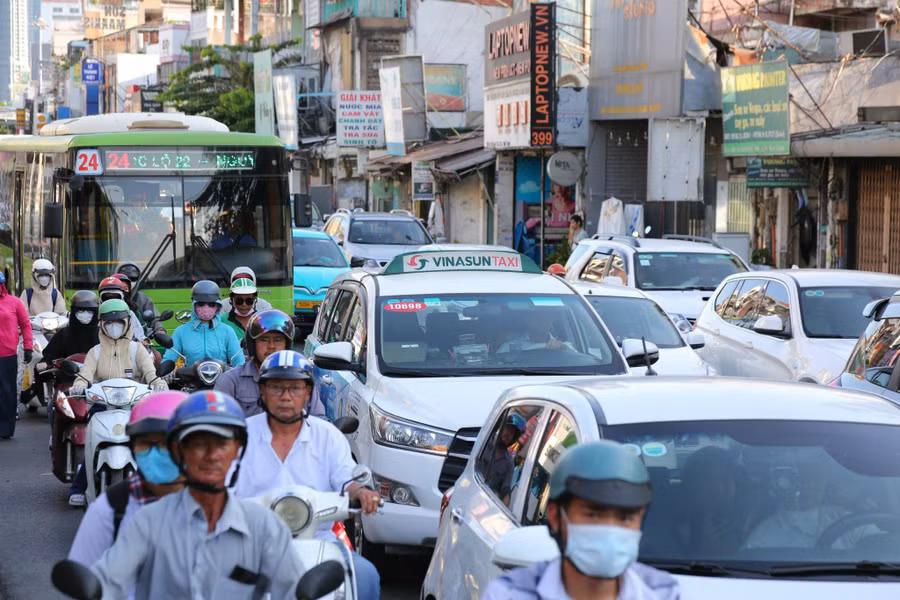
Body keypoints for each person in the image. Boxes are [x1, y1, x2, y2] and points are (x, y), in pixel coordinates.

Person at [86, 390, 307, 599]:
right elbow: (109, 583)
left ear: (237, 449)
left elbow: (293, 591)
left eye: (221, 444)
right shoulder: (148, 522)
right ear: (178, 451)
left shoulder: (265, 526)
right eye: (199, 444)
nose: (211, 456)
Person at [233, 350, 381, 600]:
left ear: (308, 393)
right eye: (276, 387)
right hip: (252, 543)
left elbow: (346, 480)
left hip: (319, 540)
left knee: (365, 575)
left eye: (295, 388)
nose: (285, 396)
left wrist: (362, 493)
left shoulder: (327, 436)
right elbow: (221, 488)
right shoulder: (239, 436)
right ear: (262, 391)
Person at [483, 440, 680, 600]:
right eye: (593, 514)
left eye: (625, 518)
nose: (610, 531)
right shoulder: (510, 594)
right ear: (555, 517)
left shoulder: (662, 592)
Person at [67, 299, 168, 506]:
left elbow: (151, 373)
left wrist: (159, 384)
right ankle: (79, 485)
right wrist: (78, 385)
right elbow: (84, 376)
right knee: (92, 440)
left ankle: (157, 483)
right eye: (109, 323)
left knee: (152, 442)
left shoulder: (137, 349)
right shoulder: (95, 352)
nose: (115, 327)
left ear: (128, 323)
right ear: (102, 325)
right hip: (103, 405)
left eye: (120, 322)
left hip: (135, 405)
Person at [68, 391, 188, 566]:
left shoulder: (222, 509)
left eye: (168, 443)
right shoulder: (107, 510)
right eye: (146, 444)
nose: (158, 454)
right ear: (134, 447)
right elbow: (85, 575)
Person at [215, 310, 324, 417]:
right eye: (264, 340)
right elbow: (217, 422)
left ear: (287, 344)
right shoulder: (231, 380)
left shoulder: (301, 380)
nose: (271, 346)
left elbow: (318, 421)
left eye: (277, 340)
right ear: (252, 344)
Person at [162, 280, 245, 368]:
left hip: (222, 380)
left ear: (218, 305)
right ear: (194, 304)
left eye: (211, 304)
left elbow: (238, 359)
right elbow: (169, 358)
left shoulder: (227, 331)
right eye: (201, 304)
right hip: (190, 380)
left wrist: (241, 374)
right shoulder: (180, 332)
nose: (206, 308)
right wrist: (166, 372)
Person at [0, 273, 32, 439]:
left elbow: (26, 325)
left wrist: (28, 347)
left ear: (3, 286)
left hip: (7, 355)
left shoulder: (14, 302)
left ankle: (6, 428)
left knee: (7, 391)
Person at [476, 413, 525, 504]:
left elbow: (505, 489)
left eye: (512, 433)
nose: (508, 434)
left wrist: (506, 498)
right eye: (508, 429)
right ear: (502, 427)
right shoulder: (485, 442)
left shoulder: (509, 463)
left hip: (484, 503)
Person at [98, 276, 147, 344]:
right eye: (107, 297)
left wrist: (144, 342)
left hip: (127, 349)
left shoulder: (129, 313)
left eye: (115, 296)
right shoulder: (96, 314)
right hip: (103, 349)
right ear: (100, 297)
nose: (112, 300)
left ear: (122, 296)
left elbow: (139, 335)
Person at [495, 314, 575, 354]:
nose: (541, 321)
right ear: (527, 321)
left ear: (551, 322)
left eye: (545, 317)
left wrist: (562, 349)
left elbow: (577, 359)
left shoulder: (563, 346)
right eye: (536, 317)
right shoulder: (510, 347)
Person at [116, 263, 161, 331]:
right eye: (125, 279)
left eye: (133, 278)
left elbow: (155, 318)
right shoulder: (108, 296)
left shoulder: (144, 299)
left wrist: (159, 329)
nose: (130, 282)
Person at [221, 277, 258, 343]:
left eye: (249, 301)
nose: (244, 304)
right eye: (239, 301)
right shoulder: (222, 320)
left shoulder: (262, 320)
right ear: (232, 300)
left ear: (254, 299)